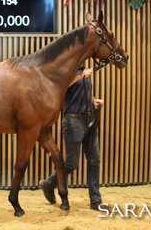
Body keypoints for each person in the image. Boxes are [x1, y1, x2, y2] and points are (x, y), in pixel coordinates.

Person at [40, 65, 104, 210]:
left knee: (94, 159)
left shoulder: (83, 70)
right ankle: (49, 183)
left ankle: (96, 201)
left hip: (89, 118)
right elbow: (62, 87)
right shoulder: (67, 71)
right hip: (73, 120)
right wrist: (82, 76)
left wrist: (93, 100)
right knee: (72, 163)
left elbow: (83, 92)